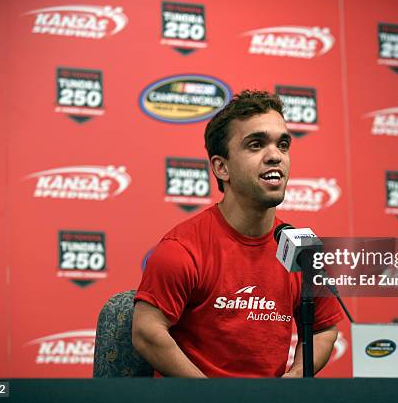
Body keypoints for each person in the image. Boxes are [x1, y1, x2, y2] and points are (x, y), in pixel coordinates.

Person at [132, 90, 342, 377]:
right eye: (256, 145)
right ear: (222, 167)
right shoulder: (182, 248)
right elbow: (146, 331)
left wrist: (294, 380)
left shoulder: (302, 248)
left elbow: (323, 328)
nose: (275, 157)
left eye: (282, 145)